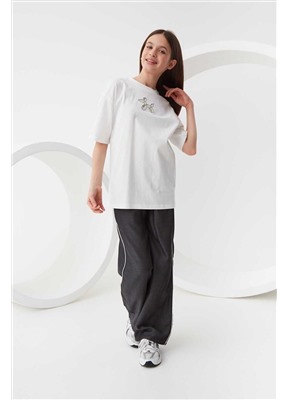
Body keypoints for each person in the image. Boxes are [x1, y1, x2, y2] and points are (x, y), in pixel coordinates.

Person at [87, 29, 197, 367]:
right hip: (127, 192)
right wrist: (95, 184)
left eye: (162, 51)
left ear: (171, 63)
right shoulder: (119, 87)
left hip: (161, 194)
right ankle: (137, 320)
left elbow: (189, 148)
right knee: (138, 265)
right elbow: (102, 139)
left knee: (162, 266)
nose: (152, 53)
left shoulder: (166, 106)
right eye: (149, 46)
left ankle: (149, 336)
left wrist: (189, 107)